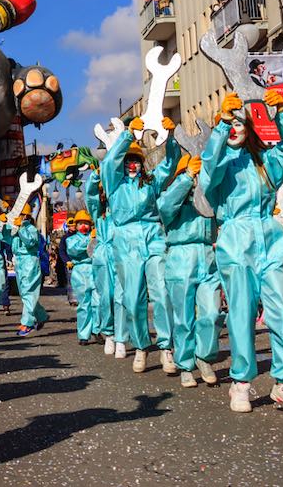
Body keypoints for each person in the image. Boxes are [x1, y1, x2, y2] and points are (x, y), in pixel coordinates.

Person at [199, 90, 283, 414]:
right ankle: (241, 381)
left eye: (240, 122)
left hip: (268, 235)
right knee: (241, 313)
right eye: (230, 122)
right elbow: (207, 171)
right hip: (235, 238)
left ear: (250, 127)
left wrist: (282, 114)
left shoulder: (265, 160)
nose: (235, 127)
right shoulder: (221, 162)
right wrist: (218, 127)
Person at [105, 118, 180, 374]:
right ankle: (139, 346)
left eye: (135, 160)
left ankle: (166, 347)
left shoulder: (151, 182)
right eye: (128, 161)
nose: (132, 165)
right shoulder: (114, 185)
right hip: (125, 241)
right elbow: (108, 164)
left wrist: (170, 137)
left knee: (161, 292)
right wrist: (127, 136)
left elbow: (170, 164)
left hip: (152, 235)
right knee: (133, 297)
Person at [158, 154, 220, 388]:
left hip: (207, 254)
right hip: (180, 255)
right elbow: (164, 208)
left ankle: (204, 356)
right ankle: (185, 364)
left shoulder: (207, 194)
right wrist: (186, 178)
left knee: (212, 312)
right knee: (183, 315)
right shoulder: (172, 195)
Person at [82, 169, 120, 356]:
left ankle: (122, 335)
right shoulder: (99, 212)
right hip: (104, 257)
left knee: (126, 297)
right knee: (106, 297)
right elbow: (90, 196)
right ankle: (110, 333)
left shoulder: (122, 203)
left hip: (124, 253)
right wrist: (95, 177)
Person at [7, 202, 47, 337]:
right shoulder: (15, 228)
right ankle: (41, 315)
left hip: (30, 261)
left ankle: (28, 323)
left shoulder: (31, 229)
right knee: (25, 294)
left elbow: (30, 241)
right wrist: (1, 223)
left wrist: (21, 228)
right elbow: (5, 238)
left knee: (29, 292)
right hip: (19, 262)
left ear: (26, 216)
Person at [66, 210, 98, 344]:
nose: (84, 226)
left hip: (95, 269)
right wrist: (90, 240)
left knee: (98, 302)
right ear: (76, 225)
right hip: (80, 271)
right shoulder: (71, 239)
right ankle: (84, 334)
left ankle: (97, 330)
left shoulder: (96, 237)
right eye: (81, 224)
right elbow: (74, 250)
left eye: (86, 223)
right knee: (84, 304)